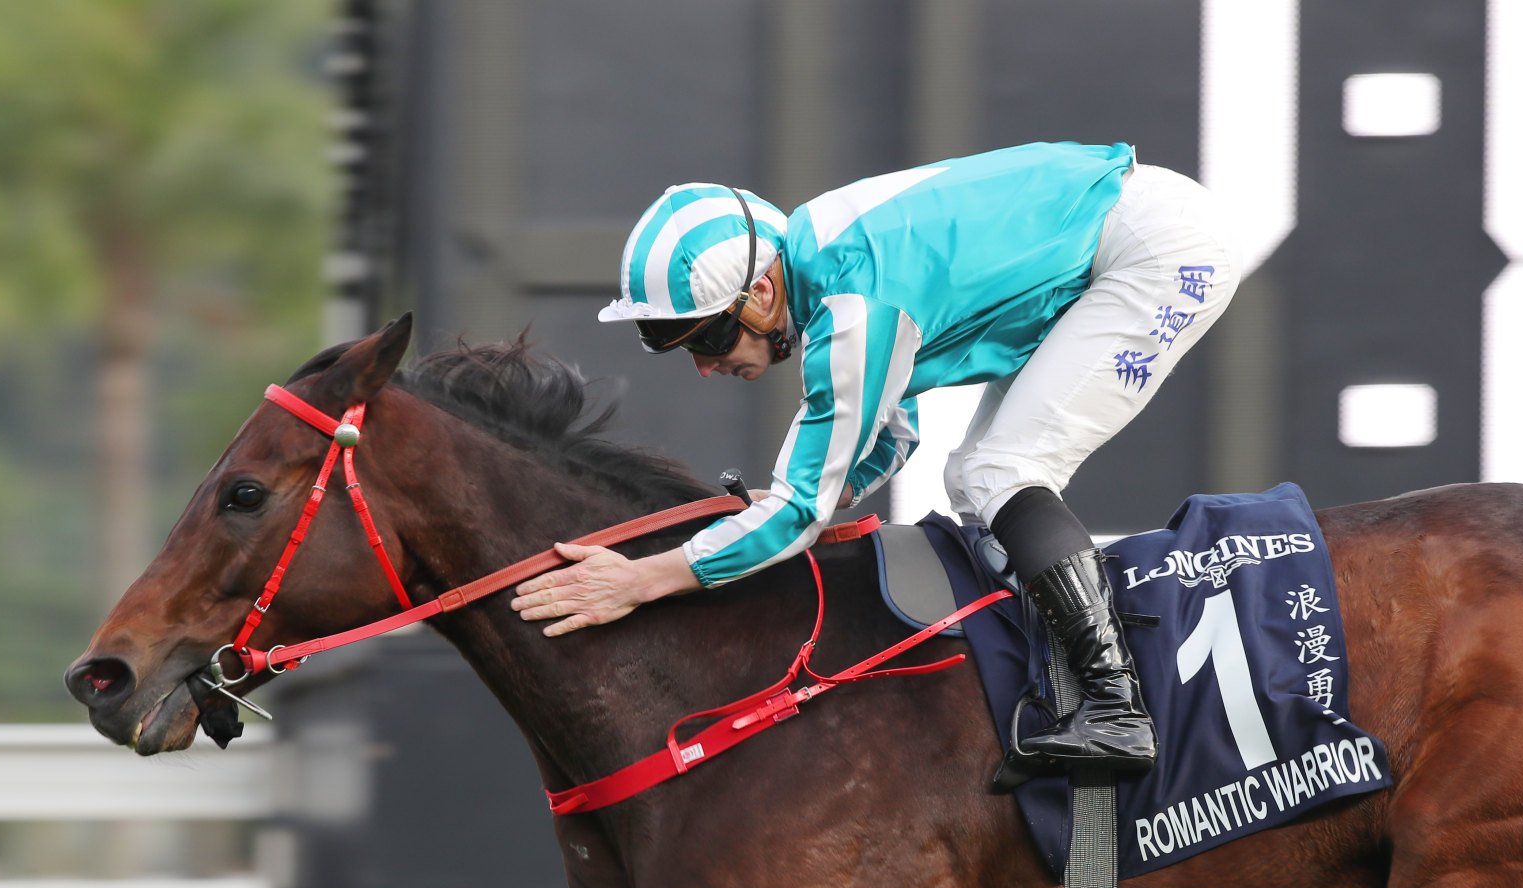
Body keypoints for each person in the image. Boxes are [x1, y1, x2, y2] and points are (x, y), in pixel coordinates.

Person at [511, 141, 1235, 779]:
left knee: (999, 472)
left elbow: (799, 511)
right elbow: (893, 433)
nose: (704, 367)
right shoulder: (817, 255)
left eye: (704, 339)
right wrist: (807, 502)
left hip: (1159, 251)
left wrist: (639, 580)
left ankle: (1116, 705)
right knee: (976, 470)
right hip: (1133, 225)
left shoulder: (852, 306)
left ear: (760, 294)